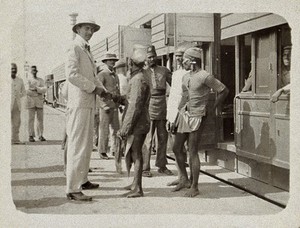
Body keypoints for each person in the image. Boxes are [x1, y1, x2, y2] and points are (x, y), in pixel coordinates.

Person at [171, 47, 228, 197]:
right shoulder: (185, 76)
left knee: (192, 150)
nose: (182, 62)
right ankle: (184, 179)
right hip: (184, 115)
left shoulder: (205, 76)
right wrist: (176, 116)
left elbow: (223, 90)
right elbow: (184, 95)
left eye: (185, 60)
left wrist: (212, 108)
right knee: (176, 147)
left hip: (197, 116)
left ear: (193, 61)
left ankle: (194, 186)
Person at [65, 16, 111, 201]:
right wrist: (95, 89)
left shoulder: (87, 50)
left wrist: (103, 91)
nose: (90, 32)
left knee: (86, 144)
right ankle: (72, 189)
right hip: (79, 103)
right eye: (86, 28)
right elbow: (72, 75)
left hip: (88, 102)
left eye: (92, 29)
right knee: (78, 144)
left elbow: (93, 76)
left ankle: (82, 179)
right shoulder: (74, 47)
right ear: (77, 29)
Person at [118, 46, 151, 198]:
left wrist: (125, 128)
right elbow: (131, 100)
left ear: (131, 63)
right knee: (134, 152)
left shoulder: (137, 79)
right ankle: (134, 184)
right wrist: (117, 98)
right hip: (140, 122)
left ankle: (138, 188)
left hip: (138, 123)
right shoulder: (140, 77)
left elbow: (135, 106)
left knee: (136, 154)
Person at [142, 45, 173, 177]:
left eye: (153, 56)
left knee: (162, 137)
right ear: (146, 58)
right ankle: (145, 168)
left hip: (162, 106)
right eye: (149, 57)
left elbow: (175, 86)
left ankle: (162, 165)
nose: (152, 59)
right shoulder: (142, 73)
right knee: (148, 139)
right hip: (148, 106)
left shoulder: (164, 71)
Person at [166, 47, 189, 186]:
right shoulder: (175, 73)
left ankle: (185, 178)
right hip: (173, 113)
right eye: (176, 56)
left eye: (181, 55)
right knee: (177, 147)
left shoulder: (187, 74)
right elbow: (173, 97)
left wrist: (176, 116)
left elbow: (184, 97)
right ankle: (181, 176)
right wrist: (169, 116)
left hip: (183, 114)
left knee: (181, 147)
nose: (179, 58)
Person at [97, 52, 120, 159]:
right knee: (104, 129)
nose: (112, 62)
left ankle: (115, 149)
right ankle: (102, 151)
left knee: (115, 129)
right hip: (105, 106)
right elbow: (98, 91)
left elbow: (117, 90)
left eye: (114, 60)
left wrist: (118, 103)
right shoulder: (102, 74)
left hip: (114, 105)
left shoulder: (115, 75)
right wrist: (103, 105)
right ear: (105, 62)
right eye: (110, 60)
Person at [25, 65, 47, 142]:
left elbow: (44, 89)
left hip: (39, 102)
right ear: (30, 72)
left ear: (36, 71)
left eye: (35, 71)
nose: (34, 72)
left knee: (40, 120)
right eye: (32, 71)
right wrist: (38, 92)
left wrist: (35, 89)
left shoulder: (40, 80)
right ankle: (31, 135)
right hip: (31, 102)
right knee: (30, 119)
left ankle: (40, 135)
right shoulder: (28, 80)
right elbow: (27, 91)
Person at [11, 63, 26, 144]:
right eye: (12, 68)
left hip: (17, 104)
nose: (13, 70)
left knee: (16, 122)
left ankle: (15, 139)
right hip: (7, 104)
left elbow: (24, 92)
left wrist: (18, 95)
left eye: (15, 68)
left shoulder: (20, 80)